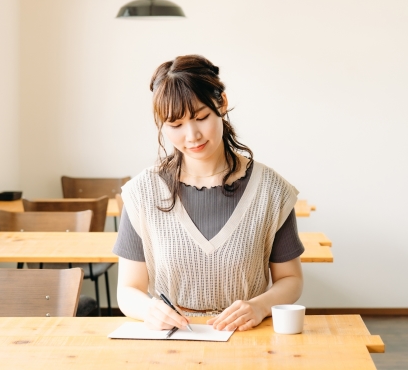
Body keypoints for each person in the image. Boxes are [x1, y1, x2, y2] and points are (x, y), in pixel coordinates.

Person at [114, 54, 304, 332]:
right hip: (173, 341)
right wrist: (149, 310)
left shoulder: (270, 189)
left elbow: (291, 279)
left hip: (247, 338)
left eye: (201, 117)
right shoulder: (142, 192)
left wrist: (260, 306)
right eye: (175, 125)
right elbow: (128, 290)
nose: (192, 136)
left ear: (222, 104)